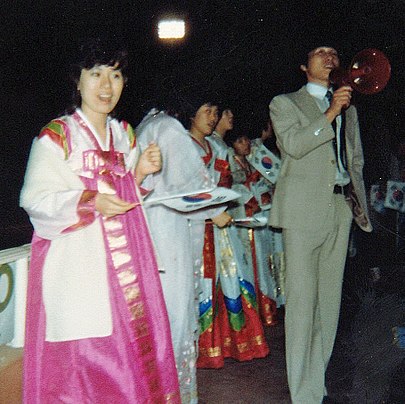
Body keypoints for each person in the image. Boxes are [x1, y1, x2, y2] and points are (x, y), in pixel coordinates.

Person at [19, 38, 180, 403]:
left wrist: (140, 172)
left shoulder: (124, 134)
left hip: (129, 267)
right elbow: (35, 200)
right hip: (82, 266)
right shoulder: (58, 136)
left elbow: (128, 197)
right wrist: (90, 201)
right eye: (95, 74)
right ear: (77, 81)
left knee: (133, 353)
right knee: (89, 362)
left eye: (116, 75)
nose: (107, 86)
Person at [269, 45, 372, 403]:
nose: (330, 57)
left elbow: (353, 159)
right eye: (320, 52)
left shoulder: (348, 107)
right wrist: (330, 112)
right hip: (302, 212)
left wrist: (357, 204)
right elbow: (294, 145)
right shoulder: (285, 104)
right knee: (302, 302)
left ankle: (317, 380)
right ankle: (303, 392)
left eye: (334, 52)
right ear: (303, 65)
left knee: (329, 303)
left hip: (339, 207)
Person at [136, 107, 216, 403]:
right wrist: (219, 211)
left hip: (155, 229)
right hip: (168, 232)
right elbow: (190, 181)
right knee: (175, 318)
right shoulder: (168, 125)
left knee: (162, 319)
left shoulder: (148, 123)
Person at [182, 98, 269, 368]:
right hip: (196, 227)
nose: (212, 117)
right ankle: (202, 348)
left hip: (219, 227)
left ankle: (228, 342)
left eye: (215, 112)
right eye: (206, 111)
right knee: (201, 282)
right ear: (190, 115)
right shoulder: (183, 145)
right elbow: (184, 189)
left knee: (230, 277)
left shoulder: (215, 145)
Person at [227, 131, 283, 322]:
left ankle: (269, 307)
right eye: (240, 140)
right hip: (246, 222)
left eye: (246, 139)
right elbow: (234, 190)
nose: (246, 144)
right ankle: (256, 311)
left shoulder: (253, 161)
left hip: (261, 217)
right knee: (253, 263)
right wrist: (249, 190)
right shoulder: (231, 164)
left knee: (265, 261)